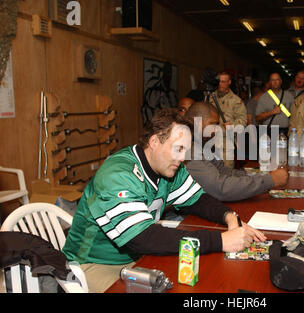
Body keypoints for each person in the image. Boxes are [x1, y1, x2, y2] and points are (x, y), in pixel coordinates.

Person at [62, 108, 266, 293]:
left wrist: (229, 217)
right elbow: (144, 237)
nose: (183, 157)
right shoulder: (117, 175)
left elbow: (198, 200)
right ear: (154, 142)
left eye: (186, 150)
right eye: (178, 148)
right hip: (92, 264)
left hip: (135, 257)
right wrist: (220, 241)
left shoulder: (170, 166)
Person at [184, 102, 289, 201]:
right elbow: (221, 188)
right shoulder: (188, 150)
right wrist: (270, 181)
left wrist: (260, 177)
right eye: (213, 124)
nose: (217, 129)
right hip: (184, 217)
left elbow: (223, 171)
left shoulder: (204, 144)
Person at [208, 71, 247, 169]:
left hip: (226, 142)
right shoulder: (211, 97)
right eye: (219, 81)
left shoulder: (236, 101)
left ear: (229, 82)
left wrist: (232, 125)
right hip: (210, 140)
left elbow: (243, 121)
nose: (220, 84)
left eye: (223, 81)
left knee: (226, 172)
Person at [255, 72, 294, 136]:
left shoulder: (289, 96)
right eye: (273, 80)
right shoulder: (263, 97)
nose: (275, 82)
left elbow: (294, 116)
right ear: (269, 82)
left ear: (281, 81)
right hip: (269, 131)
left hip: (285, 131)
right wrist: (272, 112)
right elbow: (258, 118)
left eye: (277, 80)